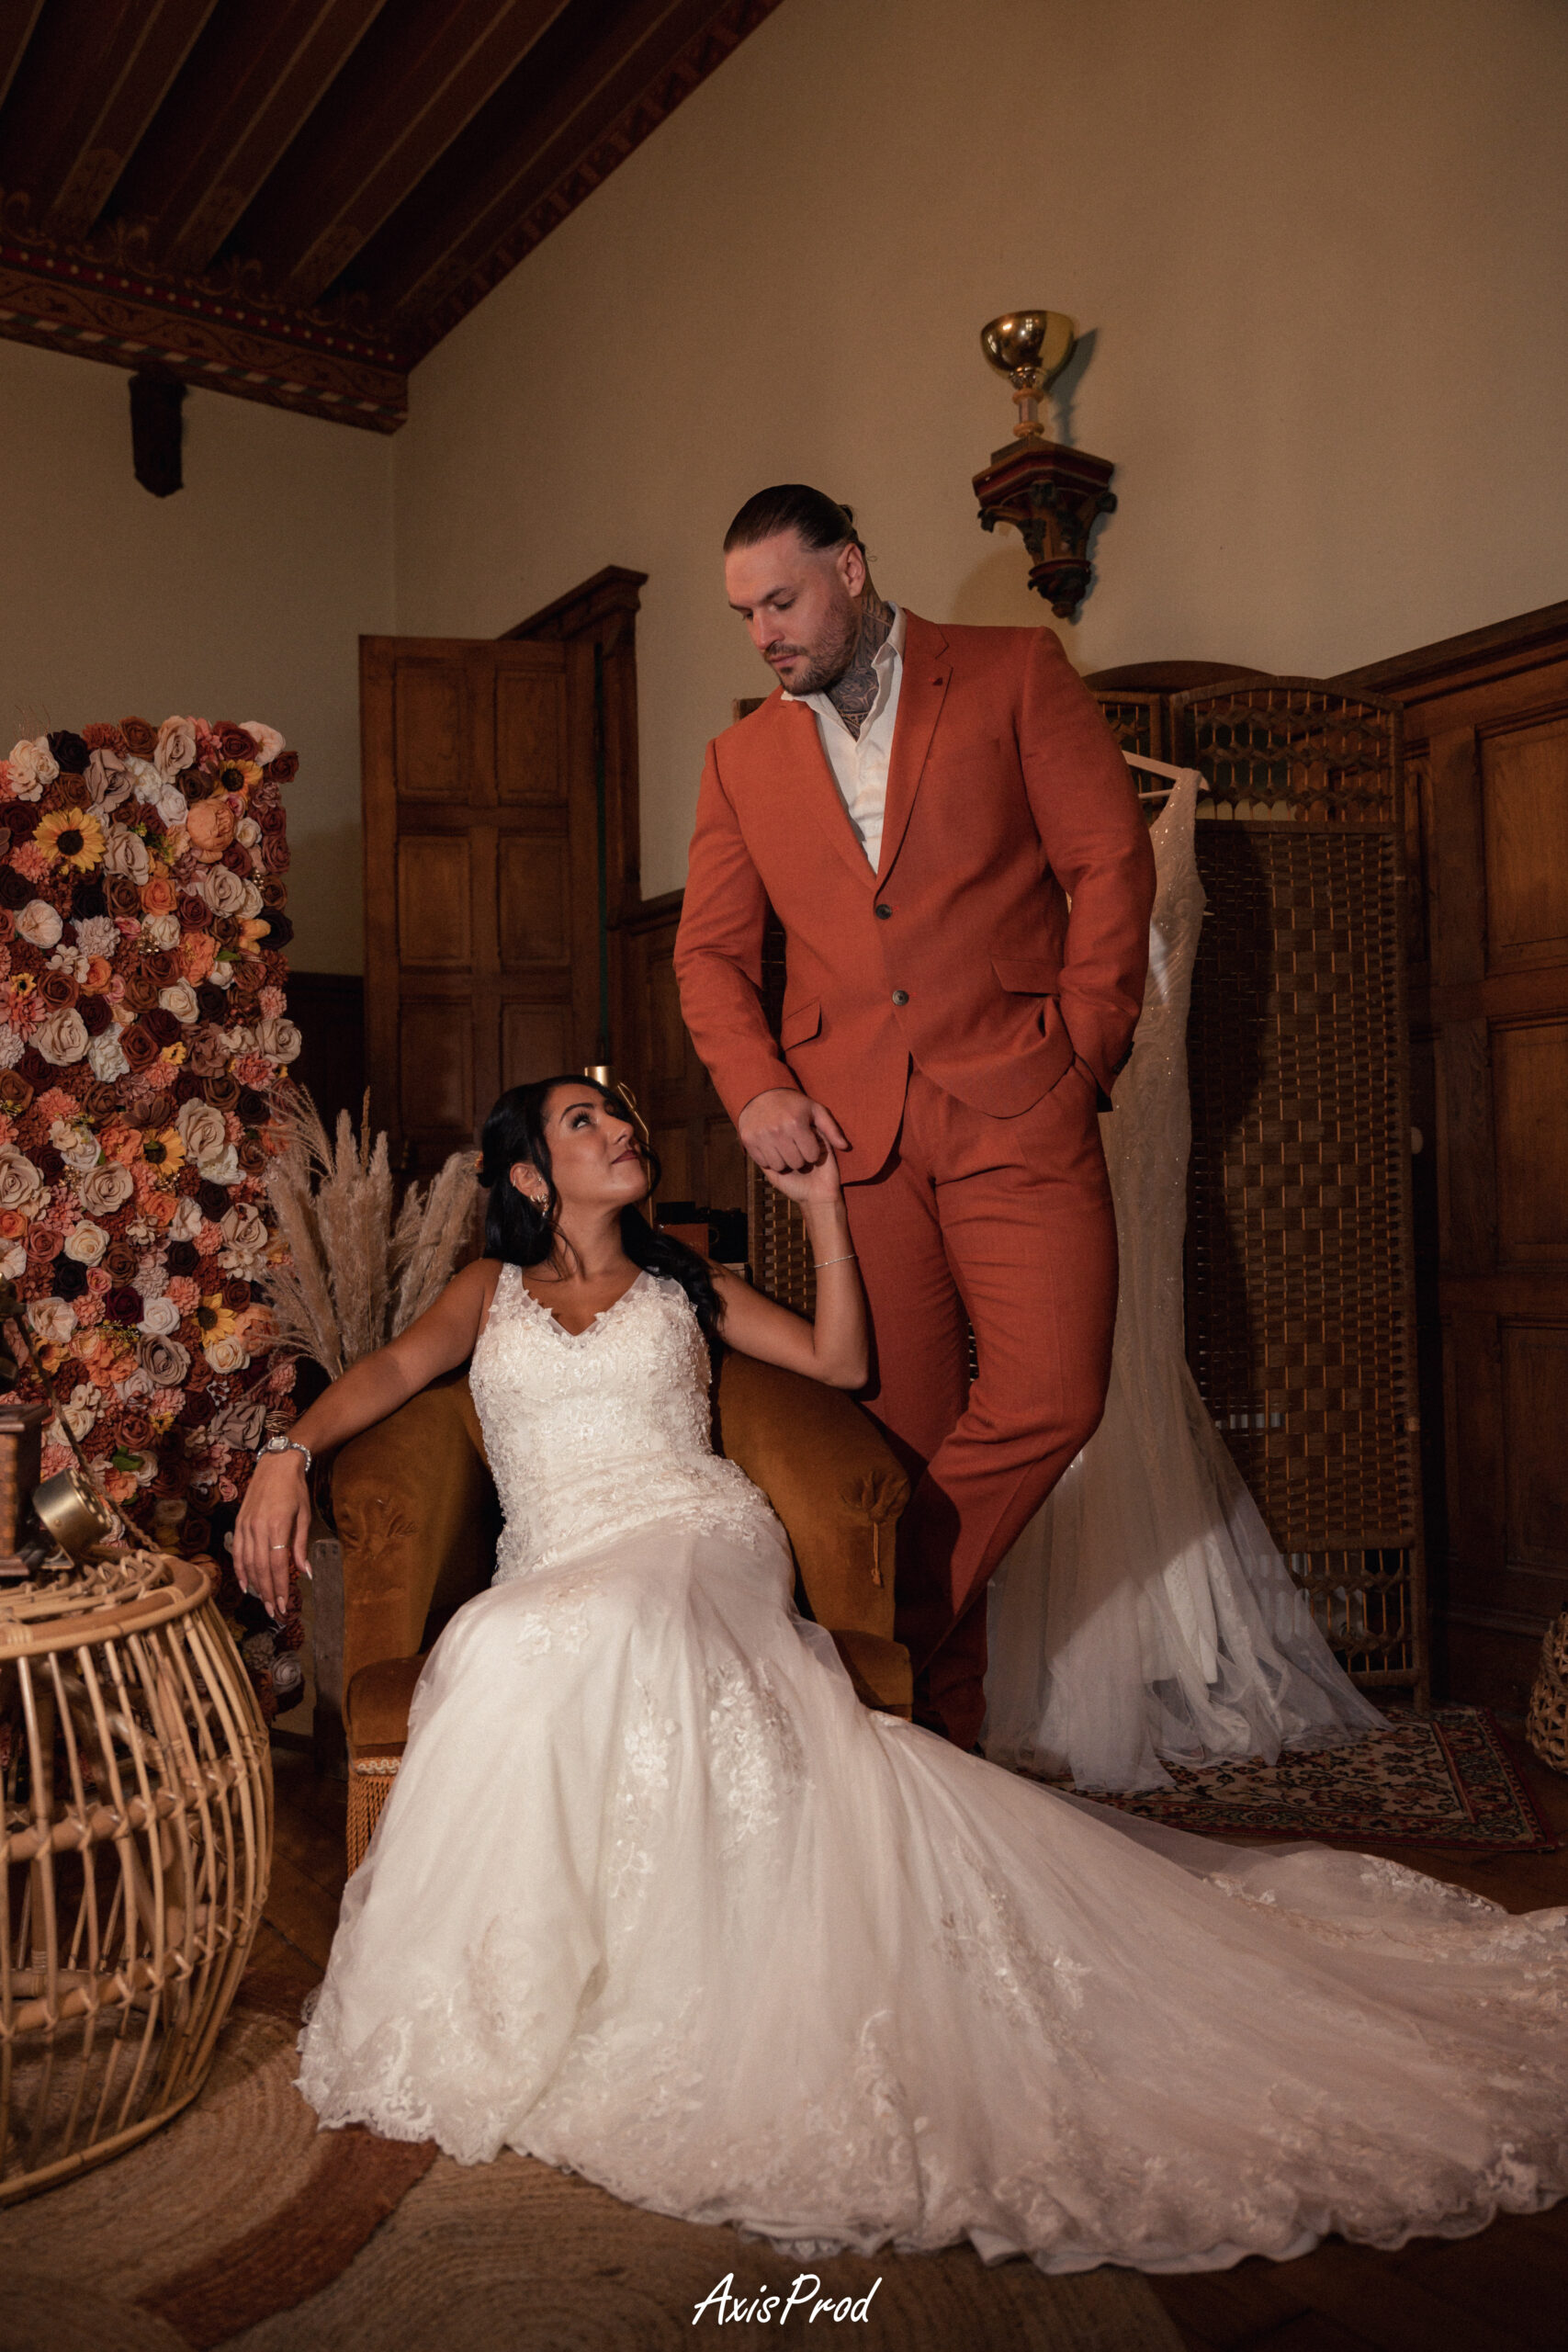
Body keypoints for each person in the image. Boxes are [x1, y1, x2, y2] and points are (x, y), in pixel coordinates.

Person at [238, 1077, 1568, 2276]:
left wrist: (819, 1210)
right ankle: (527, 1990)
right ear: (529, 1176)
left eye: (618, 1116)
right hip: (557, 1554)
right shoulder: (485, 1294)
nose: (617, 1131)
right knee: (502, 1644)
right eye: (582, 1122)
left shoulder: (682, 1282)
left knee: (615, 1627)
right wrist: (287, 1452)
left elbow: (839, 1366)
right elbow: (391, 1374)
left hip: (694, 1533)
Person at [673, 485, 1156, 1752]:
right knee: (901, 1446)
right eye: (742, 614)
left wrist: (1082, 1051)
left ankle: (854, 1651)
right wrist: (758, 1085)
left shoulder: (1009, 674)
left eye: (780, 599)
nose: (762, 633)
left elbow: (1108, 864)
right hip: (849, 1141)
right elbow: (709, 957)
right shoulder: (738, 760)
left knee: (1051, 1394)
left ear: (849, 566)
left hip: (1017, 1095)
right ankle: (931, 1765)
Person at [985, 765, 1388, 1788]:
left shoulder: (1181, 811)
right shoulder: (1012, 814)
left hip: (1148, 1126)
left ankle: (1154, 1642)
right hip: (1044, 1110)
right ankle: (1068, 1644)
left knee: (1135, 1348)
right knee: (1059, 1346)